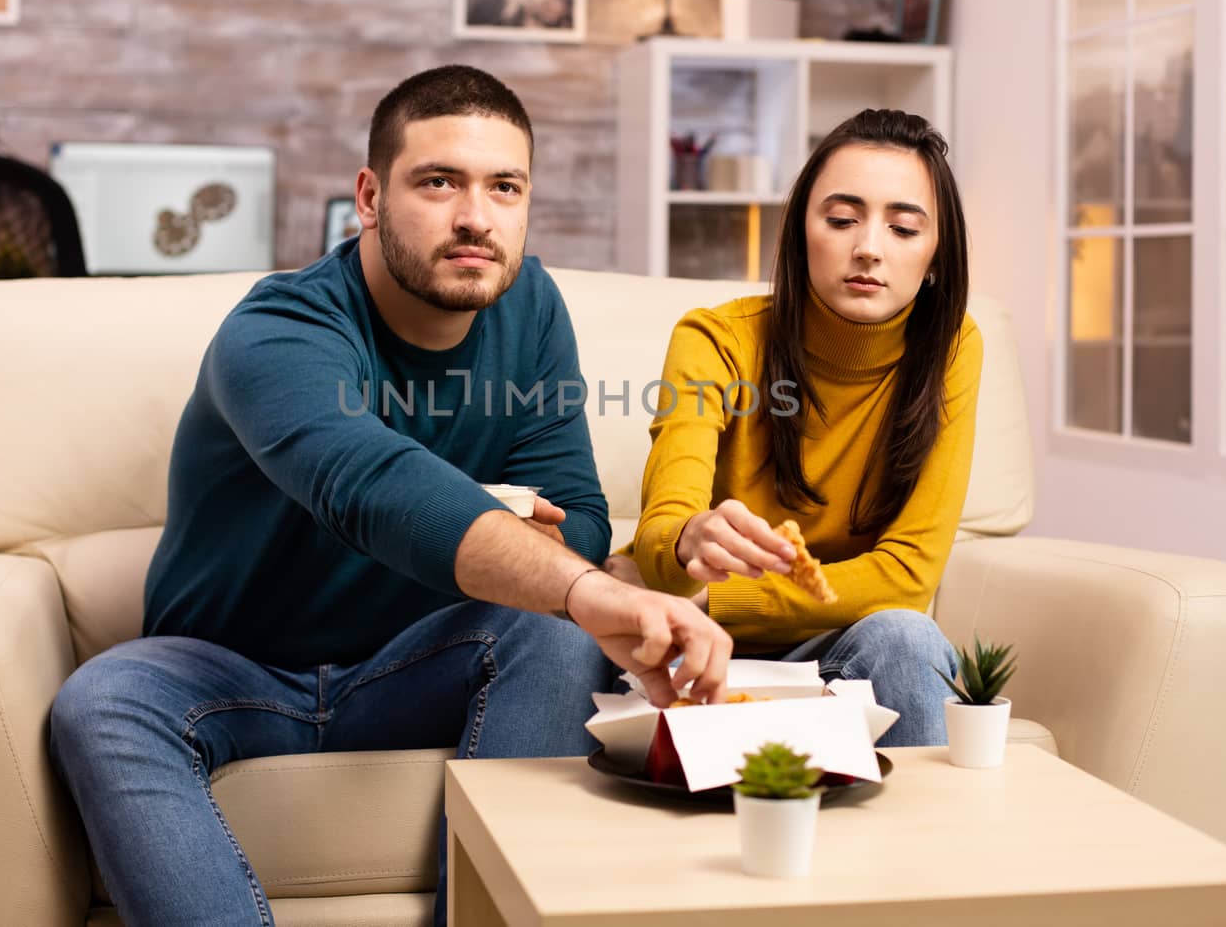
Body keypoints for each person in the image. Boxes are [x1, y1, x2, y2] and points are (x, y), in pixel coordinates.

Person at [49, 65, 734, 926]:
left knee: (552, 634)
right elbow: (367, 481)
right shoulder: (279, 330)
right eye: (439, 181)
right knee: (101, 699)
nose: (475, 217)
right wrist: (502, 518)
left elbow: (583, 517)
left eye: (505, 187)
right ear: (370, 196)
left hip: (415, 664)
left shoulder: (529, 310)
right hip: (232, 668)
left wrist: (500, 530)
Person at [629, 108, 980, 747]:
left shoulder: (952, 348)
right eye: (842, 220)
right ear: (800, 234)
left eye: (903, 227)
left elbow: (908, 576)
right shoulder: (714, 339)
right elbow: (660, 540)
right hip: (691, 646)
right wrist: (687, 540)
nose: (869, 247)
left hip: (834, 647)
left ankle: (931, 849)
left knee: (907, 636)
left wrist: (722, 599)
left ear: (935, 255)